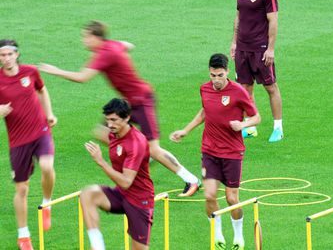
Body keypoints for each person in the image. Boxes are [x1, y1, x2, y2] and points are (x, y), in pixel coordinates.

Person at [39, 21, 200, 196]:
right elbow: (127, 45)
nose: (83, 41)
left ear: (95, 37)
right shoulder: (112, 46)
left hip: (142, 101)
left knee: (154, 148)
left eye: (86, 37)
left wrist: (55, 71)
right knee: (102, 132)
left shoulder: (105, 53)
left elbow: (83, 77)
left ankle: (191, 180)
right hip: (128, 103)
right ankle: (140, 155)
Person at [170, 54, 260, 250]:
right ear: (209, 72)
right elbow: (204, 111)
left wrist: (242, 124)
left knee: (231, 199)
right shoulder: (204, 88)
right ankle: (217, 233)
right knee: (210, 195)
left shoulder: (238, 92)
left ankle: (238, 235)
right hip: (209, 150)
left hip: (232, 152)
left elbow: (257, 117)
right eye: (213, 75)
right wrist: (185, 130)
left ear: (227, 72)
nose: (216, 80)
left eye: (220, 75)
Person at [0, 39, 57, 250]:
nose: (6, 58)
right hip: (18, 141)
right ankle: (23, 236)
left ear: (17, 54)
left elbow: (42, 91)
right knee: (22, 189)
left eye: (9, 54)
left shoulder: (30, 72)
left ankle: (47, 202)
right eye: (2, 55)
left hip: (41, 131)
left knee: (47, 166)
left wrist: (49, 113)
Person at [80, 98, 154, 250]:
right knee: (87, 194)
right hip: (121, 194)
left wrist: (101, 162)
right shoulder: (114, 134)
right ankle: (98, 246)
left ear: (127, 118)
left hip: (140, 201)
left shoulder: (136, 143)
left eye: (114, 120)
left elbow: (126, 181)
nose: (110, 125)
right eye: (107, 120)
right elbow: (100, 132)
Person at [230, 0, 284, 142]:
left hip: (260, 49)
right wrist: (234, 42)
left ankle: (278, 127)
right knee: (245, 88)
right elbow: (238, 17)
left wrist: (270, 49)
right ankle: (251, 126)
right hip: (243, 48)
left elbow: (273, 21)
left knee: (270, 87)